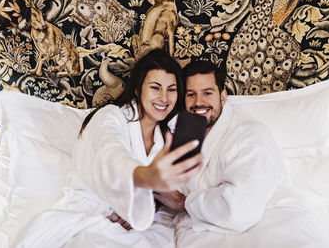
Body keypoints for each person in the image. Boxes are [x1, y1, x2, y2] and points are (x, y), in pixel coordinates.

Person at [14, 49, 203, 248]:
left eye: (171, 89)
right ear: (138, 89)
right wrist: (143, 176)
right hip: (89, 213)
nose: (164, 98)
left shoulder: (164, 138)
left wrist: (152, 204)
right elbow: (111, 154)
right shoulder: (110, 117)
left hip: (132, 224)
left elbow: (164, 192)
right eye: (155, 87)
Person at [154, 60, 329, 248]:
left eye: (207, 93)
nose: (198, 102)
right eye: (191, 94)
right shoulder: (182, 130)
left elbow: (239, 209)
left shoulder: (249, 136)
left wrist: (182, 202)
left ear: (223, 96)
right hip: (202, 228)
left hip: (267, 223)